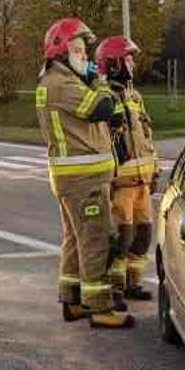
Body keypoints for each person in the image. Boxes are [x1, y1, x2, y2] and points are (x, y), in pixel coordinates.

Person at [35, 18, 132, 331]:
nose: (86, 58)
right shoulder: (61, 84)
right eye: (78, 50)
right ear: (61, 52)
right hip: (83, 180)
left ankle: (73, 299)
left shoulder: (58, 81)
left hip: (74, 178)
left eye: (85, 51)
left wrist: (90, 78)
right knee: (96, 240)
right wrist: (100, 79)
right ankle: (100, 307)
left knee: (75, 241)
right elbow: (101, 109)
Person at [95, 35, 159, 302]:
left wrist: (154, 169)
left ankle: (133, 283)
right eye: (128, 59)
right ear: (113, 64)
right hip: (120, 184)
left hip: (142, 182)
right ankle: (116, 287)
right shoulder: (104, 98)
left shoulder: (135, 96)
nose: (132, 64)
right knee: (123, 237)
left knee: (144, 235)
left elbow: (146, 135)